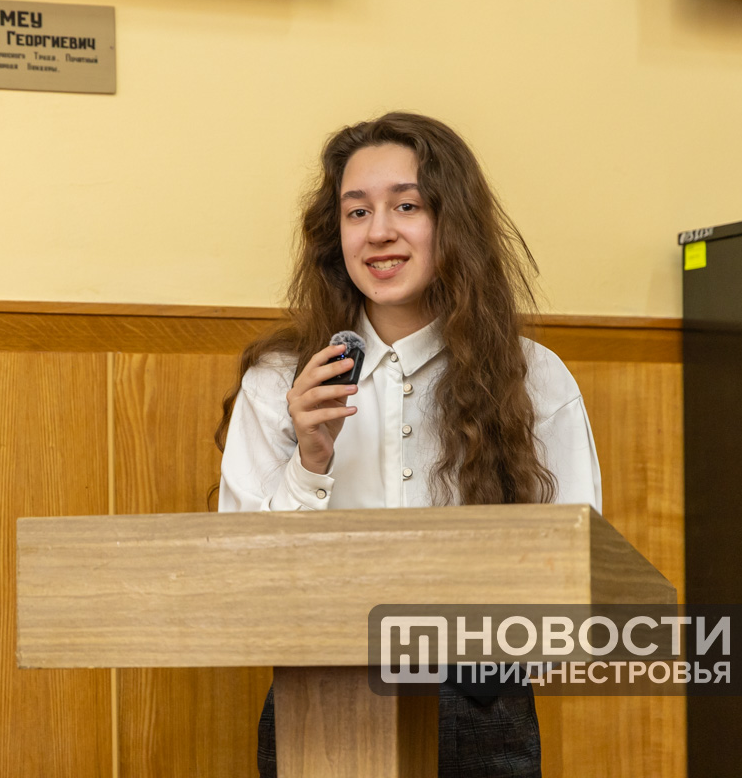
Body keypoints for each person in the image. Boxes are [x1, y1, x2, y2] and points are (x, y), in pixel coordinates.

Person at [215, 111, 602, 778]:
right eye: (357, 212)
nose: (379, 232)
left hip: (483, 712)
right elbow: (238, 586)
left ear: (453, 224)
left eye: (407, 206)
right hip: (318, 709)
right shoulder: (280, 382)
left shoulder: (534, 377)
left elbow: (576, 580)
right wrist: (309, 460)